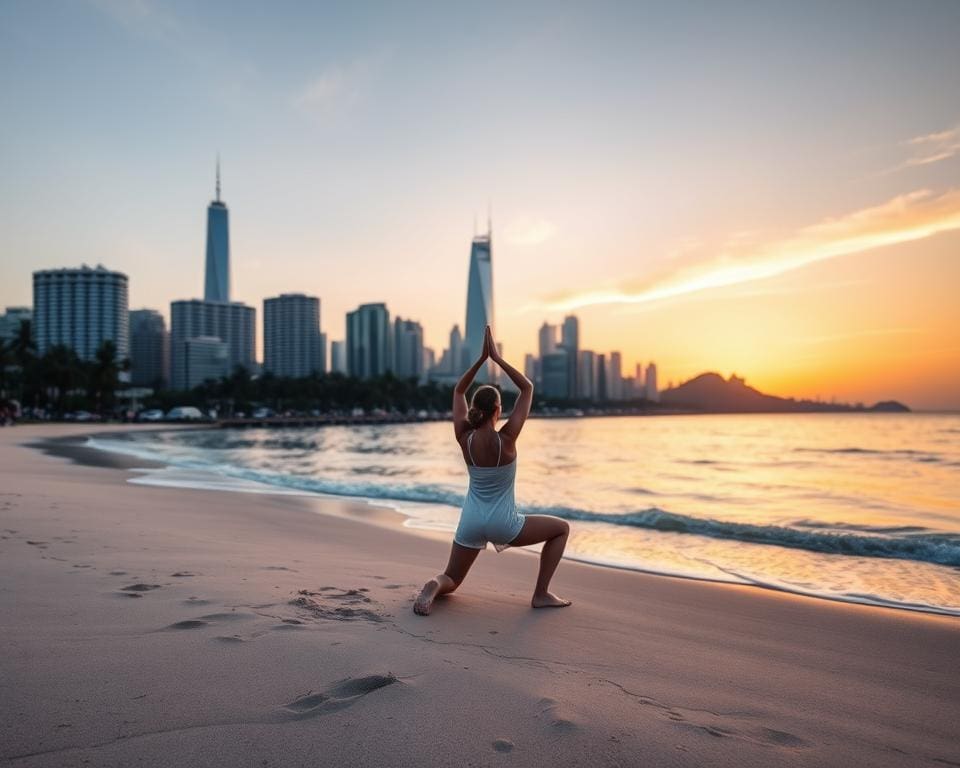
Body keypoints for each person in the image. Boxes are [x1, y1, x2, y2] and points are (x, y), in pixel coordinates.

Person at [413, 325, 571, 615]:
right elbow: (527, 388)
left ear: (475, 409)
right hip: (504, 523)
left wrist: (480, 360)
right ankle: (541, 594)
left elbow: (459, 389)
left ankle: (434, 584)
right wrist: (496, 358)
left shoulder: (464, 438)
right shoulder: (507, 439)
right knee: (561, 529)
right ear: (498, 410)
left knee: (452, 578)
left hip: (471, 520)